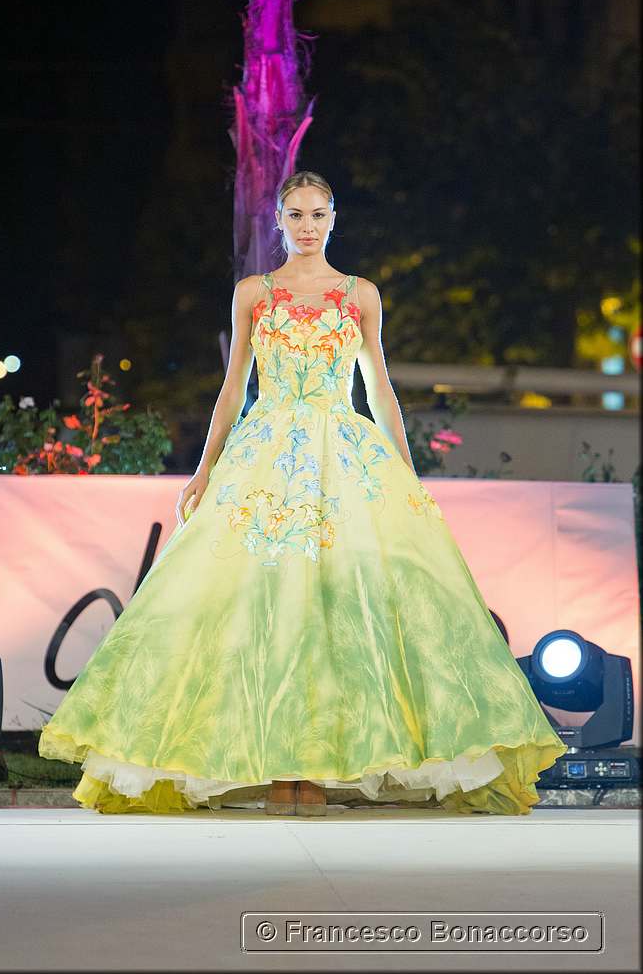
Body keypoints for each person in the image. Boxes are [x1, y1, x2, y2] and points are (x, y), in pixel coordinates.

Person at [38, 170, 568, 817]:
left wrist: (404, 472)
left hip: (344, 456)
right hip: (266, 455)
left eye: (318, 214)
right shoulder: (254, 293)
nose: (308, 225)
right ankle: (269, 768)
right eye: (296, 214)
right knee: (259, 606)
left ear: (334, 219)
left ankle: (317, 767)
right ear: (279, 221)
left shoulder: (360, 294)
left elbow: (378, 388)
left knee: (334, 611)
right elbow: (233, 387)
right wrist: (204, 469)